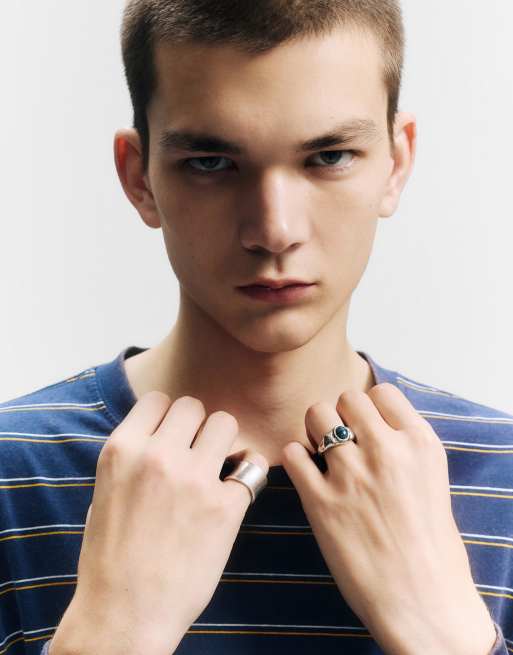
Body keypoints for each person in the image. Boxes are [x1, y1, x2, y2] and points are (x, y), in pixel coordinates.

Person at [0, 1, 510, 653]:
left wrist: (441, 629)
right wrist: (112, 630)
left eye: (329, 156)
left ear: (396, 162)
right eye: (211, 162)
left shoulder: (504, 475)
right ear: (138, 177)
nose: (274, 229)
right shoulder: (11, 473)